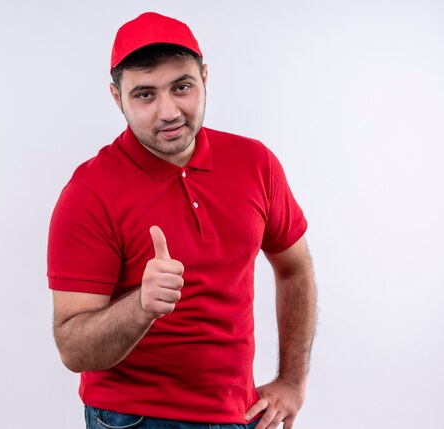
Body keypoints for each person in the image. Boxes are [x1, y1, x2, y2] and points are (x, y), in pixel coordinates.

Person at [47, 12, 317, 429]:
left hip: (240, 415)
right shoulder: (88, 193)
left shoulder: (255, 163)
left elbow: (294, 266)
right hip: (136, 419)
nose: (168, 111)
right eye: (145, 95)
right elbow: (73, 349)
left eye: (182, 87)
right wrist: (140, 307)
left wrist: (293, 381)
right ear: (117, 97)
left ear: (205, 78)